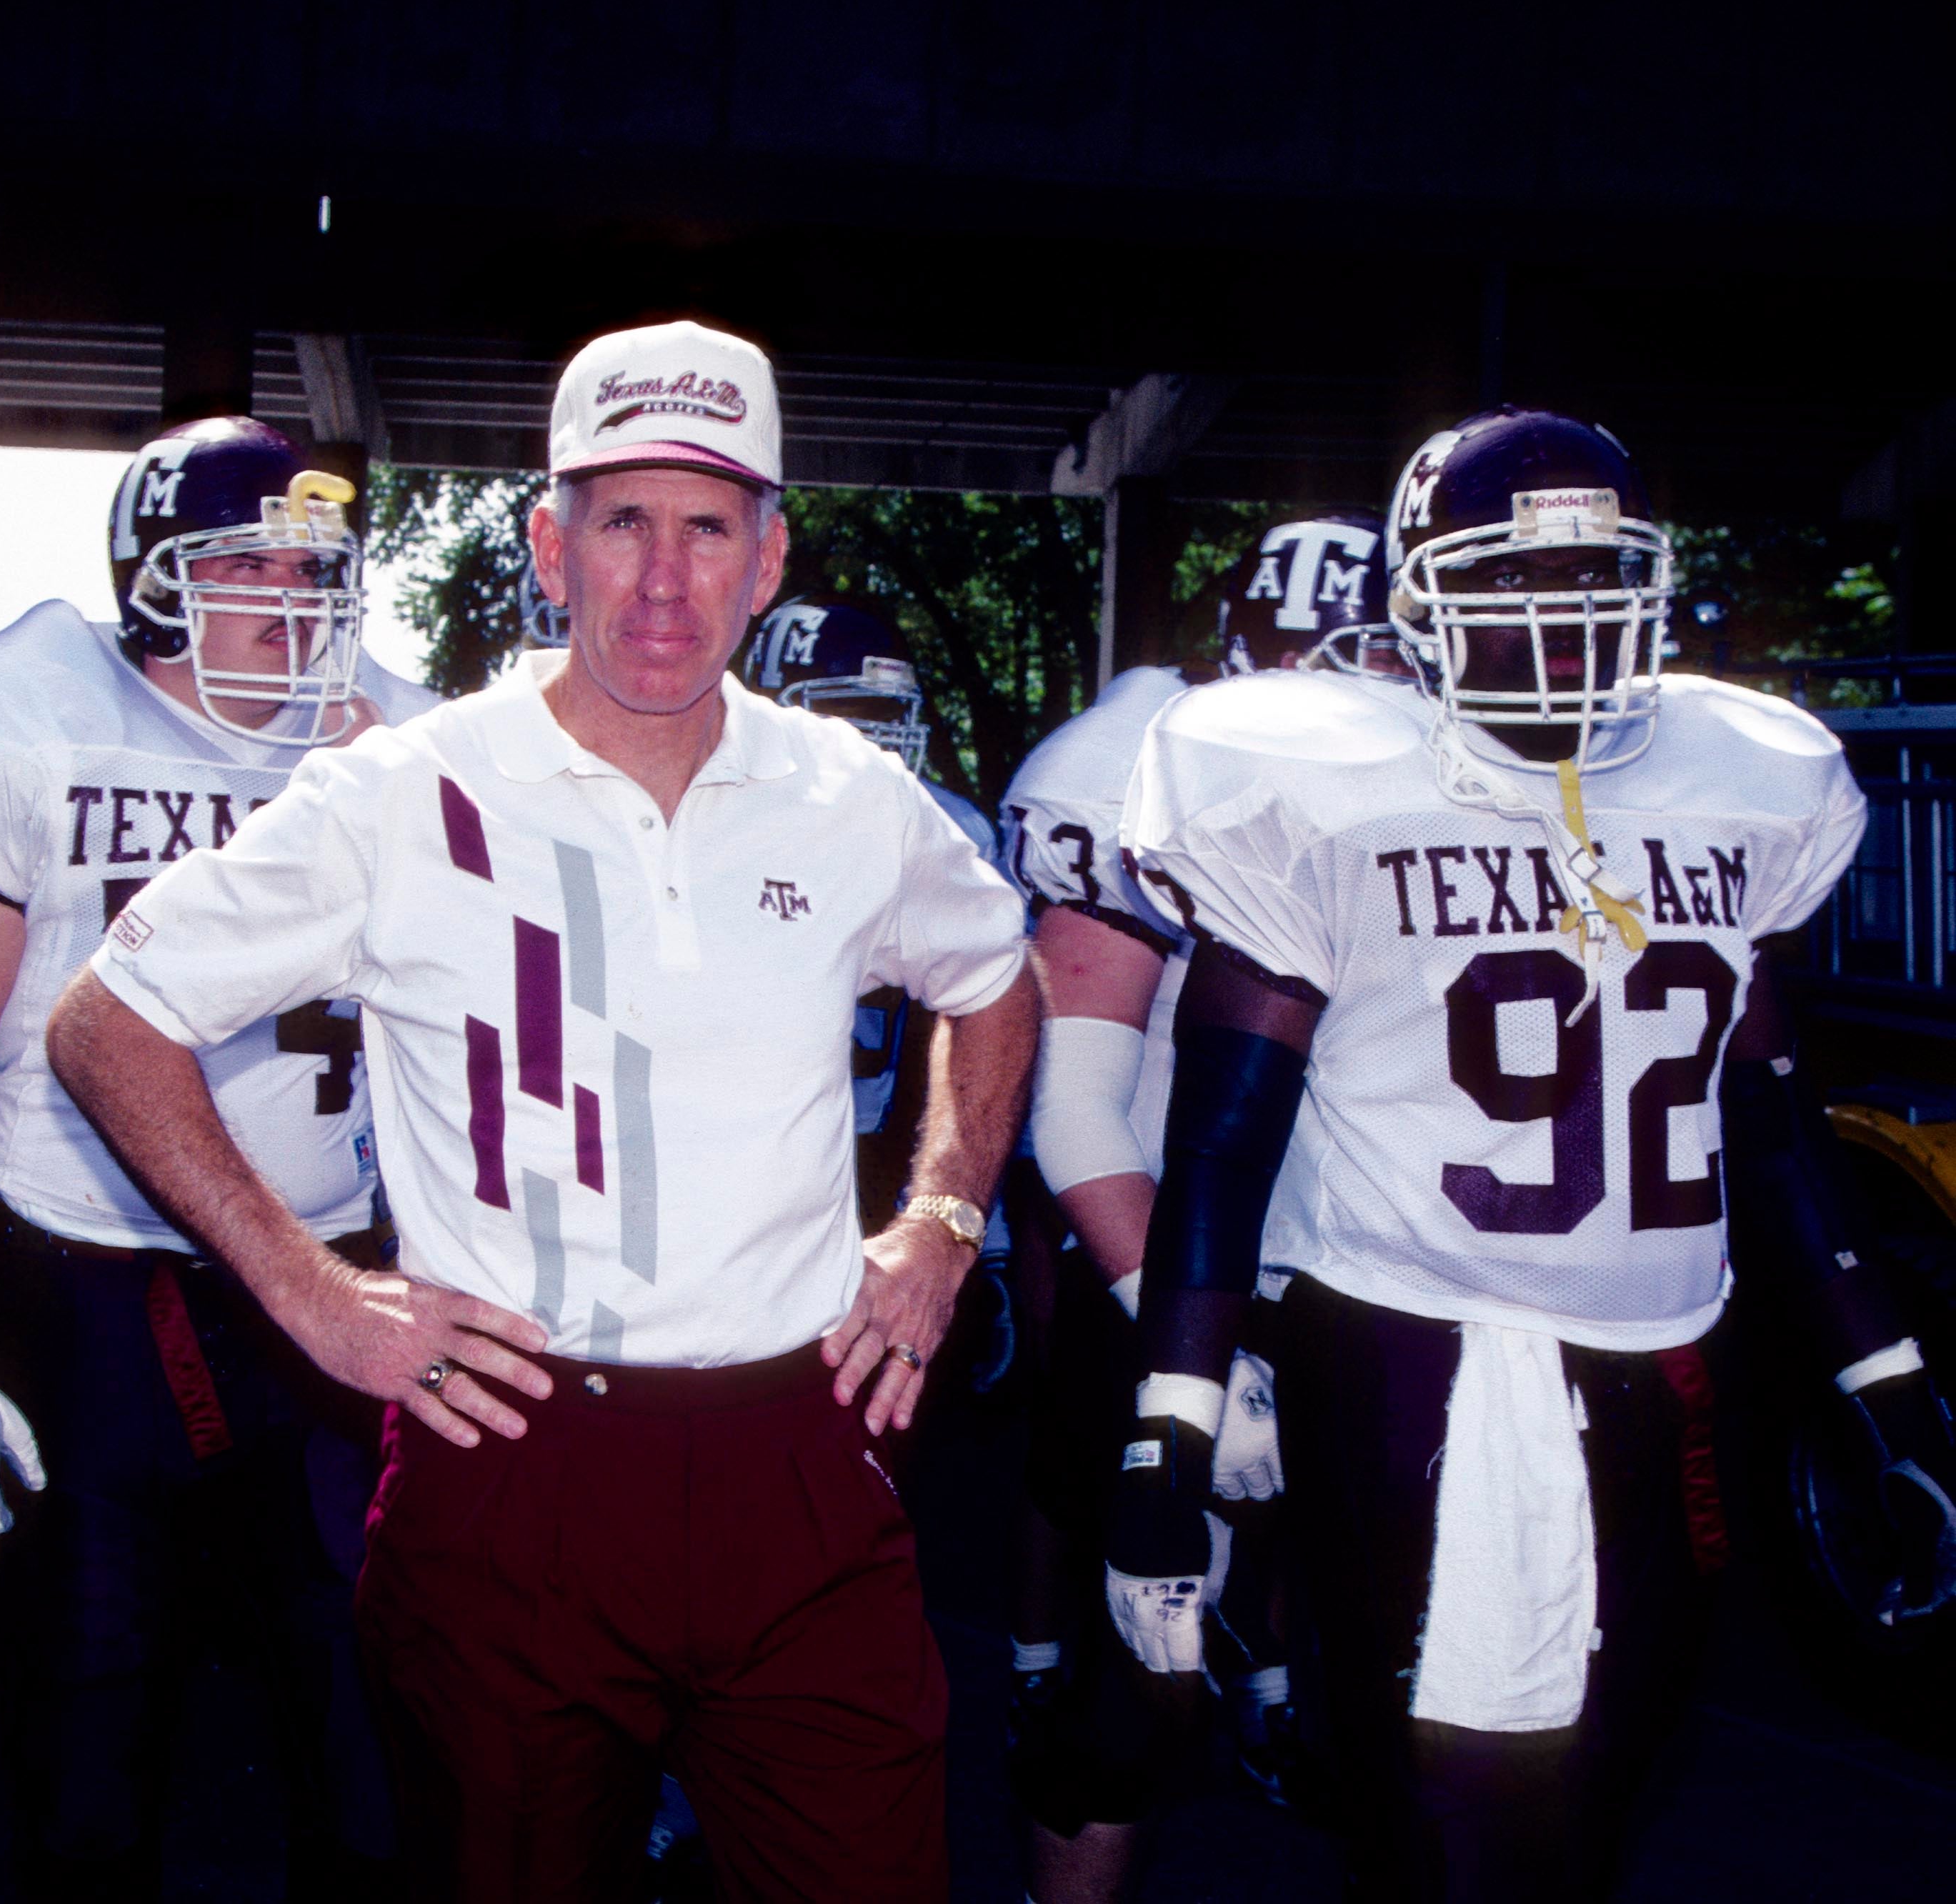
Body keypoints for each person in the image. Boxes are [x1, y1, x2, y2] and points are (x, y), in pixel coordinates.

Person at [45, 320, 1042, 1903]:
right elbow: (109, 1021)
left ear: (770, 556)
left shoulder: (849, 796)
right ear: (548, 545)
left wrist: (941, 1213)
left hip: (798, 1449)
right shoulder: (404, 788)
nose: (664, 578)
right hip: (510, 1459)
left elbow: (997, 978)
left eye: (708, 525)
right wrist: (311, 1297)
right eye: (621, 521)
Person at [1104, 409, 1956, 1900]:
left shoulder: (1737, 779)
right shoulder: (1325, 784)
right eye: (1515, 577)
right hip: (1409, 1351)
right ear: (1427, 604)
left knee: (1605, 1800)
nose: (1562, 616)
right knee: (1436, 1828)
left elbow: (1763, 1117)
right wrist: (1166, 1429)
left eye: (1593, 572)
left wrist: (1890, 1388)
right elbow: (1226, 1138)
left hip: (1673, 1354)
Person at [0, 417, 434, 1895]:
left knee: (364, 1747)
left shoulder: (391, 737)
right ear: (152, 579)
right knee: (92, 1749)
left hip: (324, 1291)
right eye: (243, 562)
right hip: (89, 1301)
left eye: (316, 570)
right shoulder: (28, 725)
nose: (288, 603)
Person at [998, 514, 1386, 1902]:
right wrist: (1190, 1351)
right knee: (1136, 1683)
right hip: (1175, 1267)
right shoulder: (1130, 775)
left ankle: (1272, 1694)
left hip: (1357, 1266)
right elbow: (1075, 1106)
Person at [742, 594, 1036, 1900]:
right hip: (736, 1190)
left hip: (873, 1175)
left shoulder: (932, 829)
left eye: (889, 723)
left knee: (858, 1491)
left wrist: (970, 1223)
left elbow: (989, 1015)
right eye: (848, 718)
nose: (875, 748)